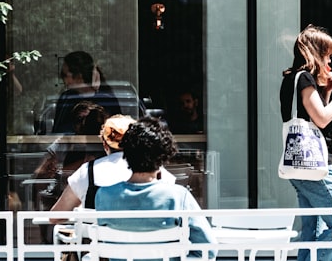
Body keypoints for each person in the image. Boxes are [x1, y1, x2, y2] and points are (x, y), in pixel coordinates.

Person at [279, 25, 332, 261]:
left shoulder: (292, 79)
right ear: (316, 53)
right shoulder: (304, 78)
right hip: (314, 167)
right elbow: (322, 119)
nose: (330, 61)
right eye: (327, 55)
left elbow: (311, 116)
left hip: (300, 165)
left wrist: (327, 92)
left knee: (311, 229)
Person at [94, 117, 214, 254]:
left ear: (126, 153)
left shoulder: (104, 195)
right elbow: (208, 250)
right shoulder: (178, 197)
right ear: (163, 157)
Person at [49, 114, 175, 220]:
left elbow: (56, 216)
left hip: (101, 247)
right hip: (152, 246)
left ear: (104, 143)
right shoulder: (154, 170)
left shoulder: (88, 172)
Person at [51, 51, 122, 134]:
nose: (62, 79)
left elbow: (118, 130)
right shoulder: (66, 98)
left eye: (65, 75)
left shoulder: (106, 99)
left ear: (78, 76)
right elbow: (59, 131)